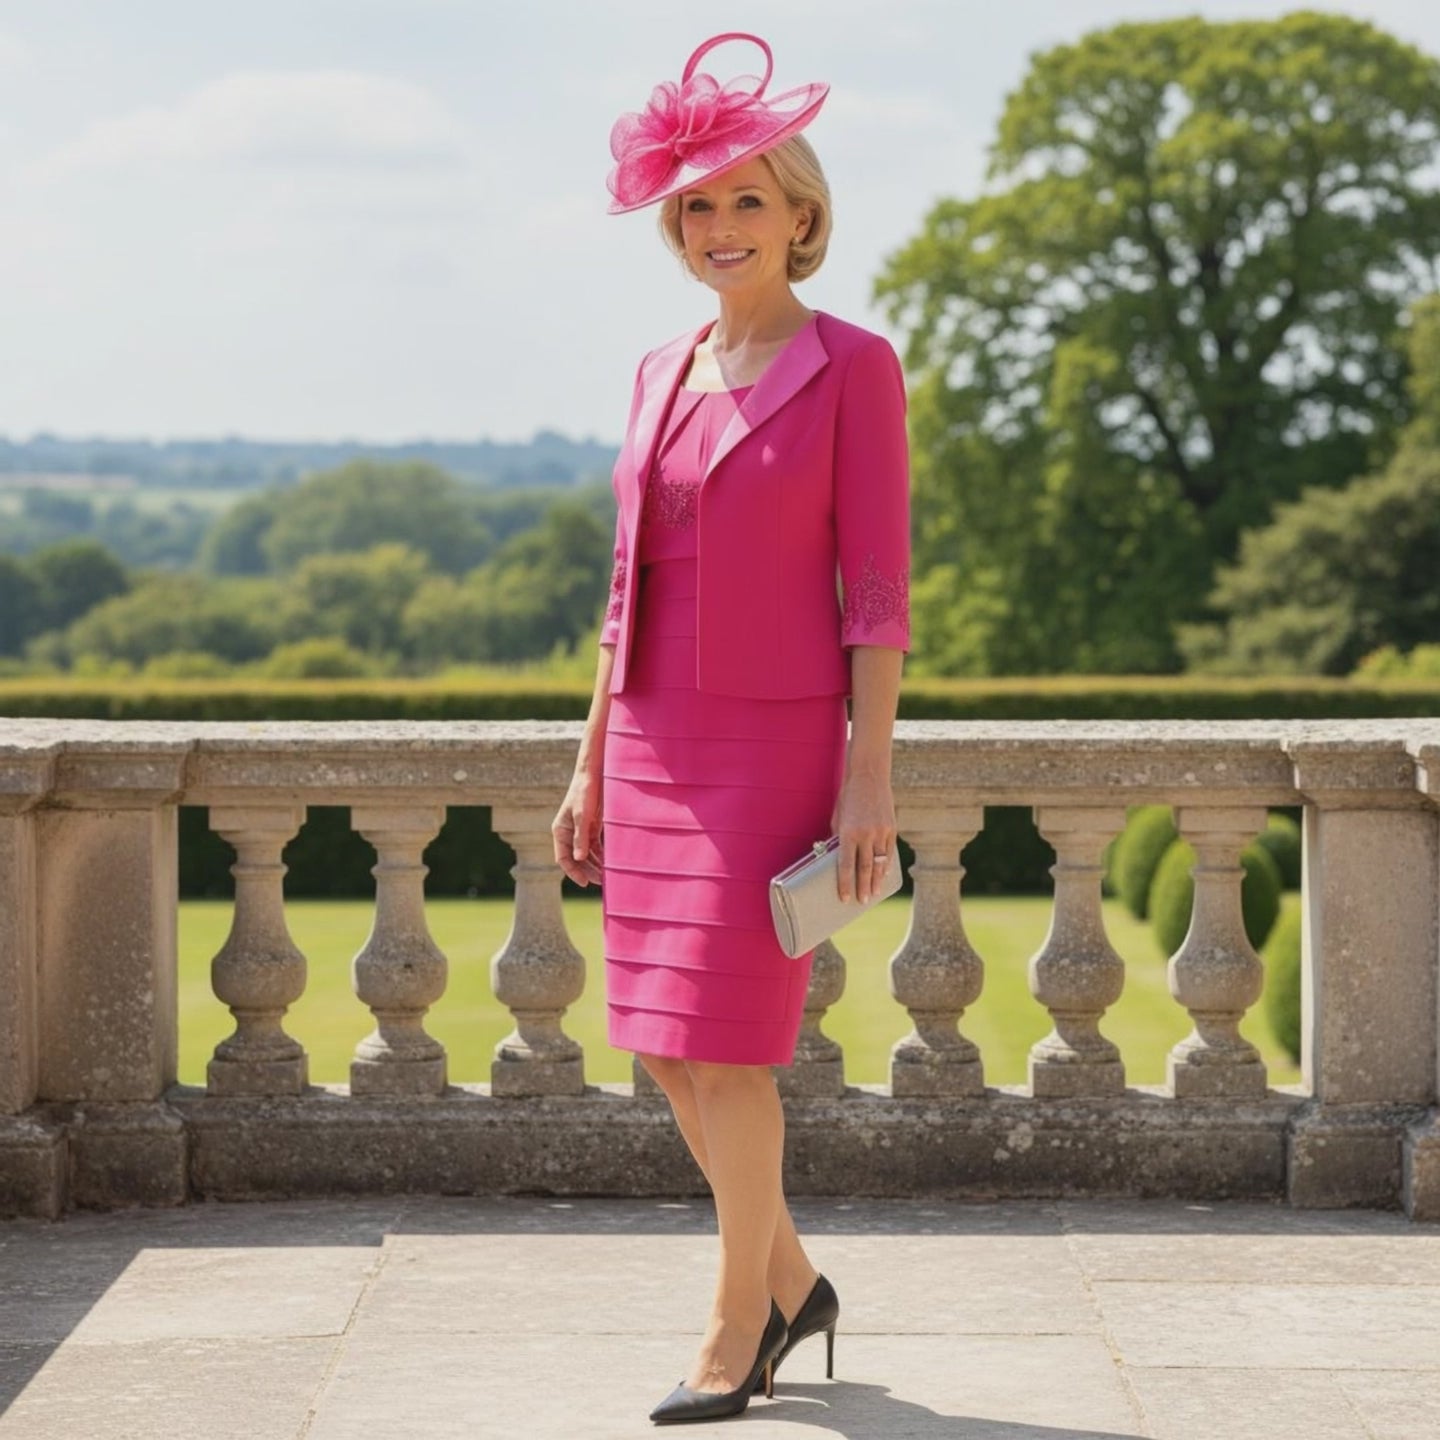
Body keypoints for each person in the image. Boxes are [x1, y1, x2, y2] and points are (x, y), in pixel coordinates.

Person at [551, 32, 910, 1427]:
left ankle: (735, 1325)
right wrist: (586, 752)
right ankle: (797, 1277)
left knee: (731, 1041)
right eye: (696, 205)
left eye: (747, 200)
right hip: (648, 735)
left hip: (777, 741)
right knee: (657, 1038)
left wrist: (864, 771)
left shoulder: (853, 369)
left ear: (801, 216)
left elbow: (875, 592)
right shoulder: (656, 371)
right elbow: (621, 587)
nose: (719, 227)